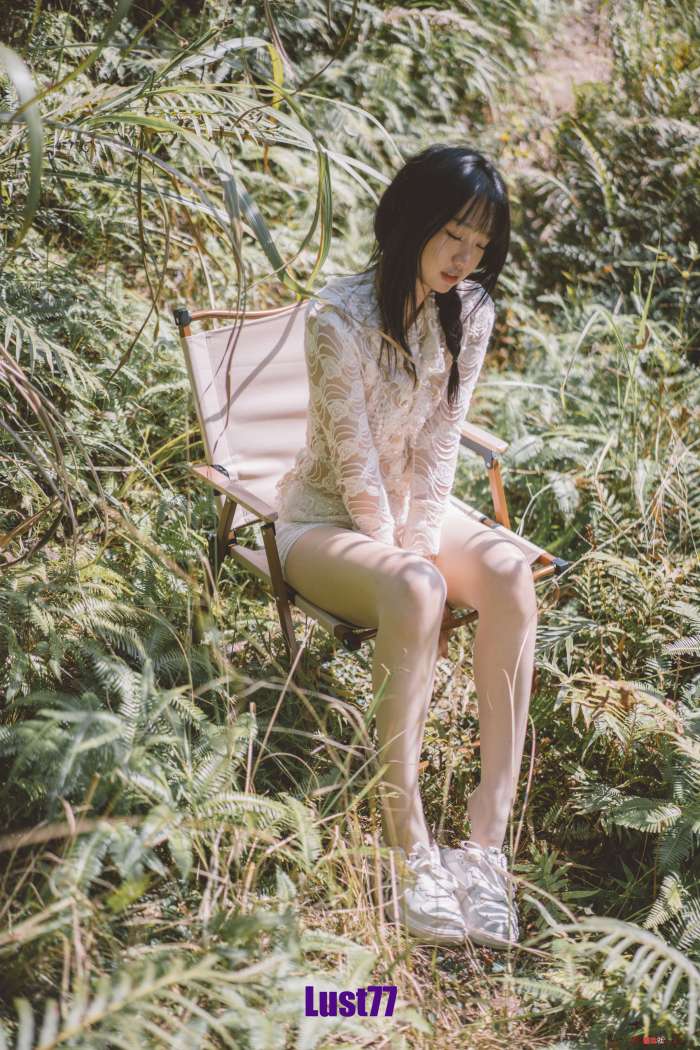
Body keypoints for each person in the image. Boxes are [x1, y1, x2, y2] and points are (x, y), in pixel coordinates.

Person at [273, 144, 538, 949]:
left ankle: (484, 847)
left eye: (480, 245)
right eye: (453, 234)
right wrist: (409, 565)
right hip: (324, 521)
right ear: (411, 220)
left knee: (510, 570)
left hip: (411, 514)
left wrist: (420, 542)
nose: (465, 257)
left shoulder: (471, 309)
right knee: (417, 590)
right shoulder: (336, 317)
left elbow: (442, 442)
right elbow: (355, 467)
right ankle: (409, 847)